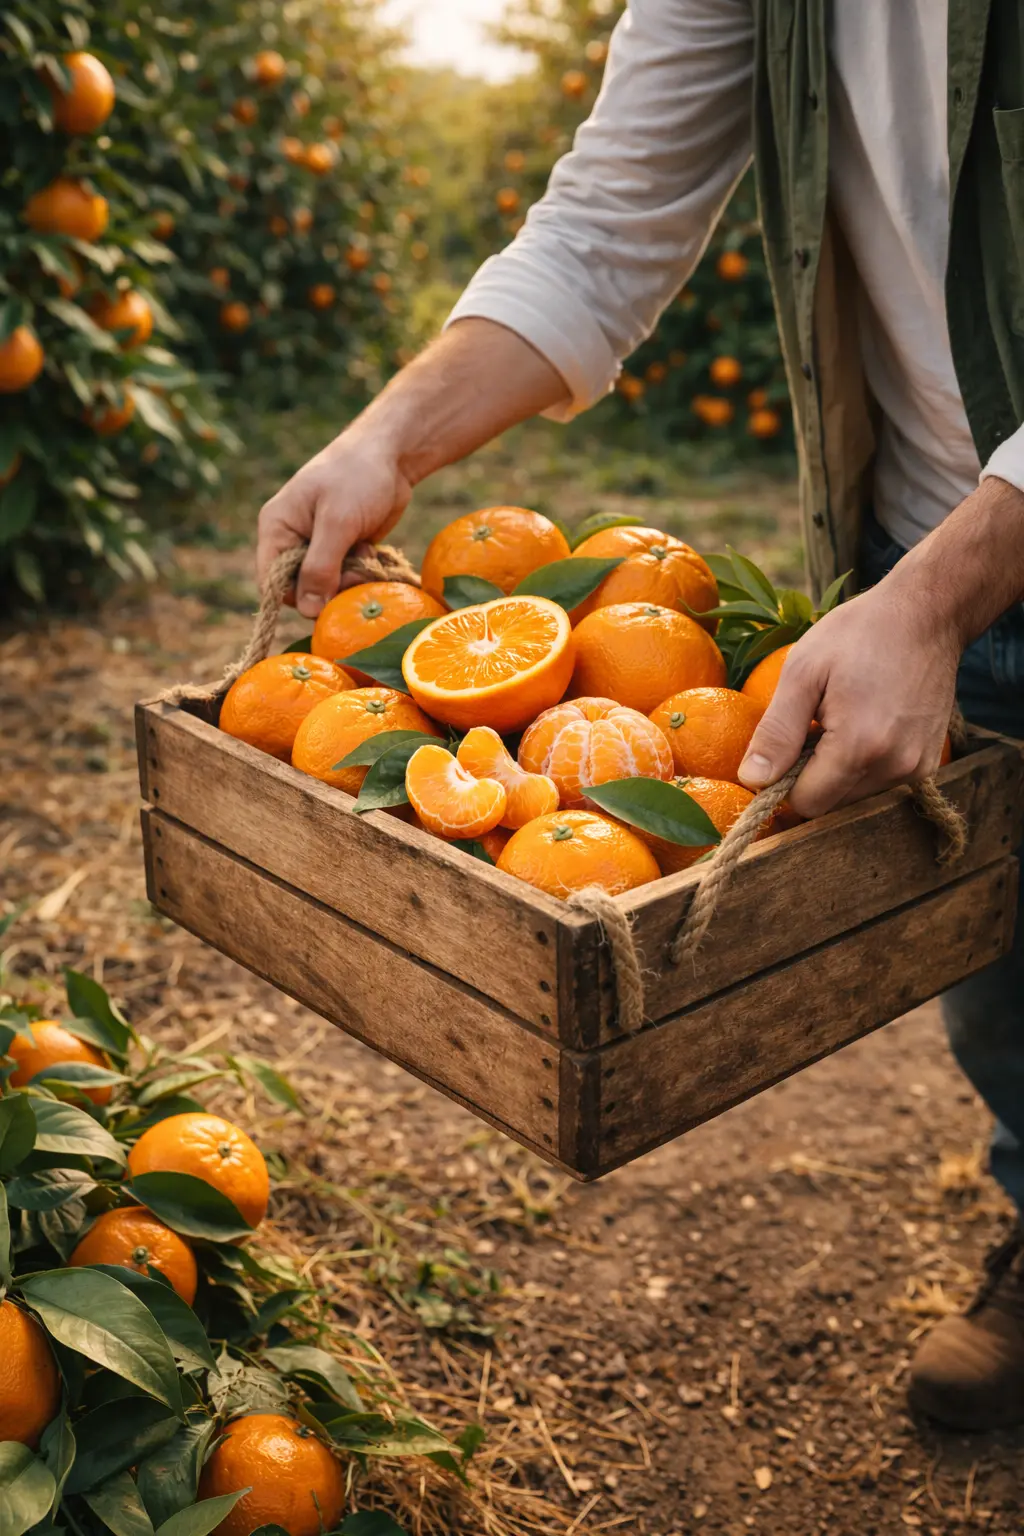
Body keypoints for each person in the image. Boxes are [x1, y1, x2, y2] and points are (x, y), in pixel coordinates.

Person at [257, 1, 1024, 1429]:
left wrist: (942, 595)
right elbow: (606, 223)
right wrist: (387, 435)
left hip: (962, 561)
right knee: (1001, 973)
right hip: (919, 538)